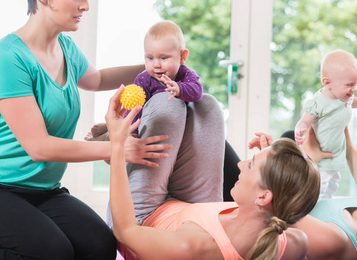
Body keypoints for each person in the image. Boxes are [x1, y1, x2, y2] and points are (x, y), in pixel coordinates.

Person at [0, 0, 171, 259]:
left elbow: (98, 79)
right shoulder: (8, 57)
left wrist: (156, 67)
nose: (86, 5)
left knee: (101, 248)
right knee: (54, 252)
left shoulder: (66, 48)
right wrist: (116, 148)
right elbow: (39, 147)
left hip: (42, 191)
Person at [105, 86, 321, 260]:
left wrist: (117, 145)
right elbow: (292, 197)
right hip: (191, 207)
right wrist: (273, 161)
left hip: (141, 217)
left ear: (264, 196)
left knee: (167, 105)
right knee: (206, 106)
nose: (239, 164)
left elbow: (126, 231)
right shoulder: (293, 241)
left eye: (249, 164)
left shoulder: (193, 247)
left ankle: (106, 137)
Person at [248, 129, 357, 260]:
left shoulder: (335, 242)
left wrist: (271, 161)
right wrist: (344, 139)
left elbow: (281, 204)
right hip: (280, 195)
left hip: (256, 207)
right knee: (291, 136)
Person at [87, 20, 202, 140]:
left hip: (179, 125)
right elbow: (135, 109)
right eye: (150, 58)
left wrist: (179, 89)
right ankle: (110, 129)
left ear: (182, 57)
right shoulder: (144, 79)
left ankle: (111, 126)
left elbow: (197, 92)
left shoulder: (185, 75)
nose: (156, 64)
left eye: (163, 58)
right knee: (129, 117)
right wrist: (133, 132)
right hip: (146, 121)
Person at [294, 49, 357, 198]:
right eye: (350, 84)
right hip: (319, 159)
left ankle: (325, 207)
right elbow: (304, 121)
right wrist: (300, 130)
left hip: (335, 156)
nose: (354, 89)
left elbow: (352, 102)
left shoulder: (344, 97)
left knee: (332, 186)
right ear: (327, 83)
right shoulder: (319, 103)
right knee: (317, 191)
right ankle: (313, 215)